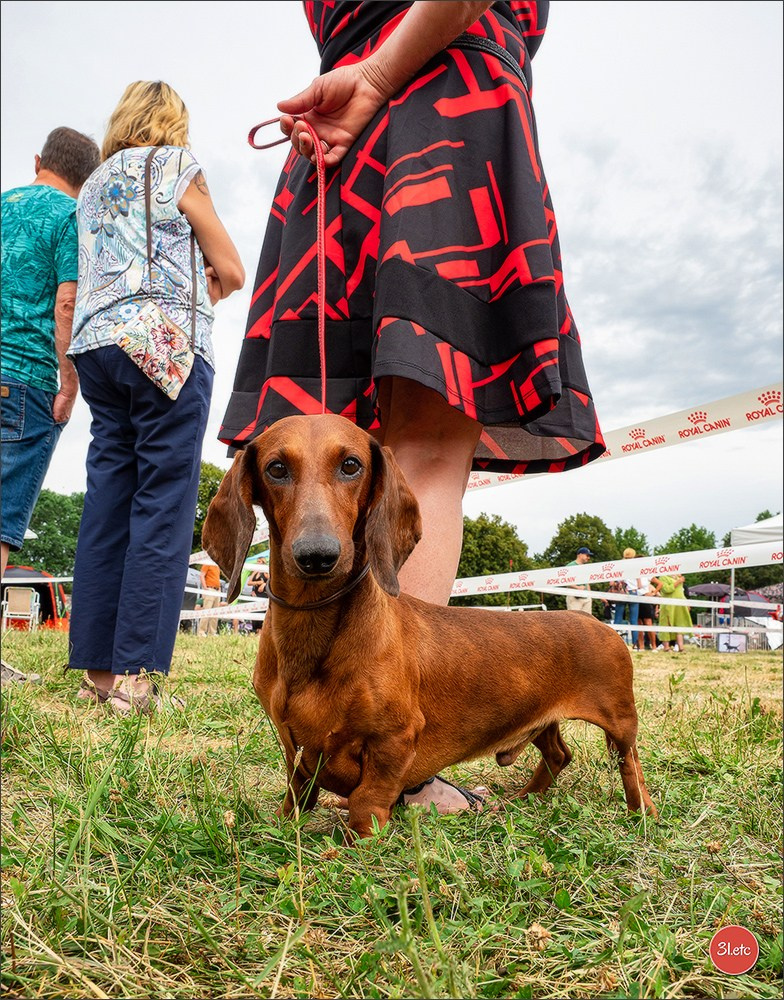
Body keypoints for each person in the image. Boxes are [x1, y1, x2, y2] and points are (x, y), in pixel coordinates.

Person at [219, 2, 605, 812]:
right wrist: (379, 76)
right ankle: (393, 763)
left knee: (341, 433)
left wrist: (368, 74)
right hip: (442, 105)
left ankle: (379, 745)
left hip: (350, 133)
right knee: (403, 449)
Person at [66, 81, 245, 712]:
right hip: (162, 340)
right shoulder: (174, 164)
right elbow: (232, 267)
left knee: (108, 504)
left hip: (96, 344)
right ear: (173, 121)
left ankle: (97, 674)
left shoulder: (91, 185)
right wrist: (206, 290)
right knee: (162, 506)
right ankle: (138, 678)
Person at [1, 127, 100, 686]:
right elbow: (68, 301)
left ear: (38, 159)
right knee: (2, 517)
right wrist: (69, 382)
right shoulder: (71, 217)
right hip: (26, 379)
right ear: (87, 181)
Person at [650, 574, 691, 652]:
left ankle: (681, 647)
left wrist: (686, 603)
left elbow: (681, 592)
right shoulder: (663, 577)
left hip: (679, 604)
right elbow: (667, 590)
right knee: (666, 624)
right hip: (667, 605)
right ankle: (666, 647)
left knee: (679, 624)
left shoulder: (678, 577)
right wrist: (678, 582)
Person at [612, 547, 642, 645]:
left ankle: (613, 642)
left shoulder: (619, 565)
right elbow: (639, 585)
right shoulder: (636, 566)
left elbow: (613, 582)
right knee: (634, 620)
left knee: (618, 618)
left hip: (622, 593)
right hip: (633, 592)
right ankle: (635, 644)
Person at [566, 547, 596, 616]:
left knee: (588, 619)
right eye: (587, 555)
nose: (588, 558)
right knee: (575, 619)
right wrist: (577, 587)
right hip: (574, 598)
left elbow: (587, 582)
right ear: (580, 554)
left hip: (586, 597)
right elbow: (565, 582)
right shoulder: (570, 566)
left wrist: (590, 595)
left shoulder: (585, 567)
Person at [197, 562, 222, 636]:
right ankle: (201, 631)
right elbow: (202, 575)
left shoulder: (217, 566)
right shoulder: (207, 563)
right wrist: (205, 587)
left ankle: (212, 632)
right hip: (209, 589)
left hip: (217, 590)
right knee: (207, 611)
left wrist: (219, 589)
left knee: (215, 612)